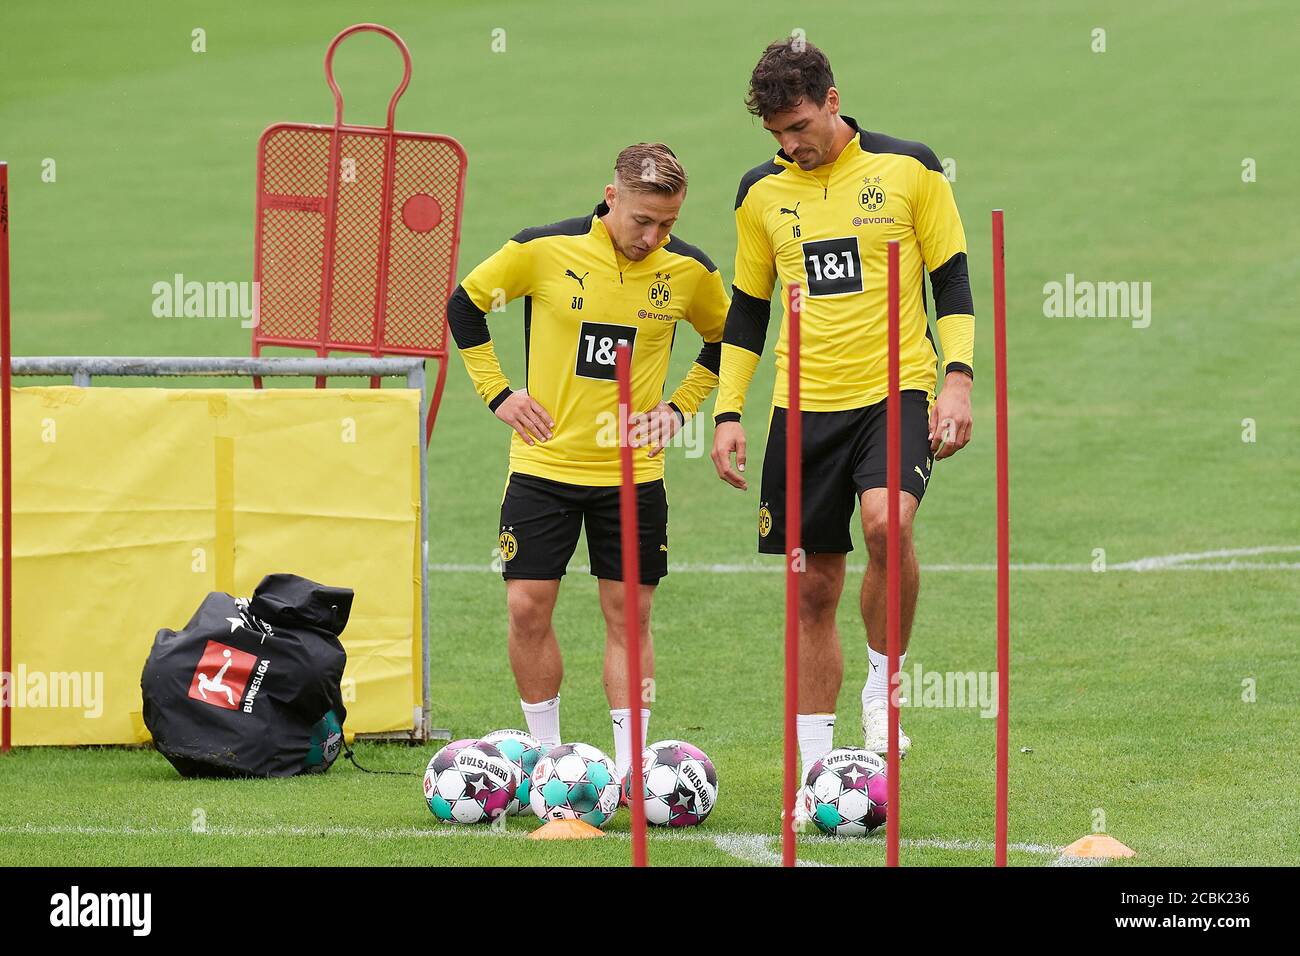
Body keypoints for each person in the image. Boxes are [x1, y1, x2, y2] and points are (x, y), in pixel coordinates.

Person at [710, 40, 976, 777]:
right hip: (802, 407)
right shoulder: (759, 192)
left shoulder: (910, 168)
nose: (791, 146)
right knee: (813, 586)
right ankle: (818, 766)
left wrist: (958, 379)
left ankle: (883, 691)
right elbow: (747, 310)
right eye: (776, 136)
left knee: (889, 520)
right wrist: (729, 410)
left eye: (800, 126)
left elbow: (951, 279)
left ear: (834, 100)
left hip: (896, 388)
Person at [447, 143, 729, 779]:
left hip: (631, 479)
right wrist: (499, 393)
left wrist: (680, 409)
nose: (654, 236)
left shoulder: (689, 273)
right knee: (527, 606)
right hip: (543, 468)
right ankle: (549, 757)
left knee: (629, 615)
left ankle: (630, 767)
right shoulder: (542, 251)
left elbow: (726, 339)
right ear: (612, 198)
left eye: (669, 224)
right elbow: (465, 305)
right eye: (643, 221)